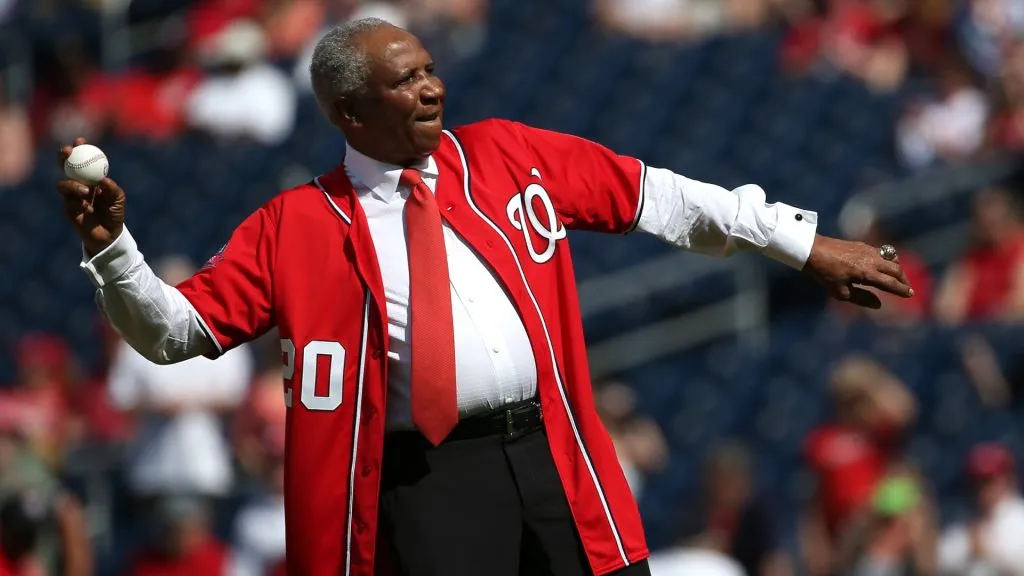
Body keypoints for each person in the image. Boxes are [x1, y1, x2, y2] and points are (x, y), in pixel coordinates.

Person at [55, 18, 913, 576]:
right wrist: (112, 251)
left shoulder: (505, 154)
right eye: (404, 80)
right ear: (350, 113)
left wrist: (805, 246)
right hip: (427, 481)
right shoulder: (296, 224)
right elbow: (176, 333)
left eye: (430, 70)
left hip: (554, 447)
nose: (431, 88)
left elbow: (664, 197)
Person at [938, 443, 1024, 575]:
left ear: (1008, 479)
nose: (981, 489)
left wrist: (988, 550)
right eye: (975, 481)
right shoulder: (969, 518)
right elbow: (940, 558)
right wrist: (969, 547)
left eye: (988, 480)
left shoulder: (1018, 516)